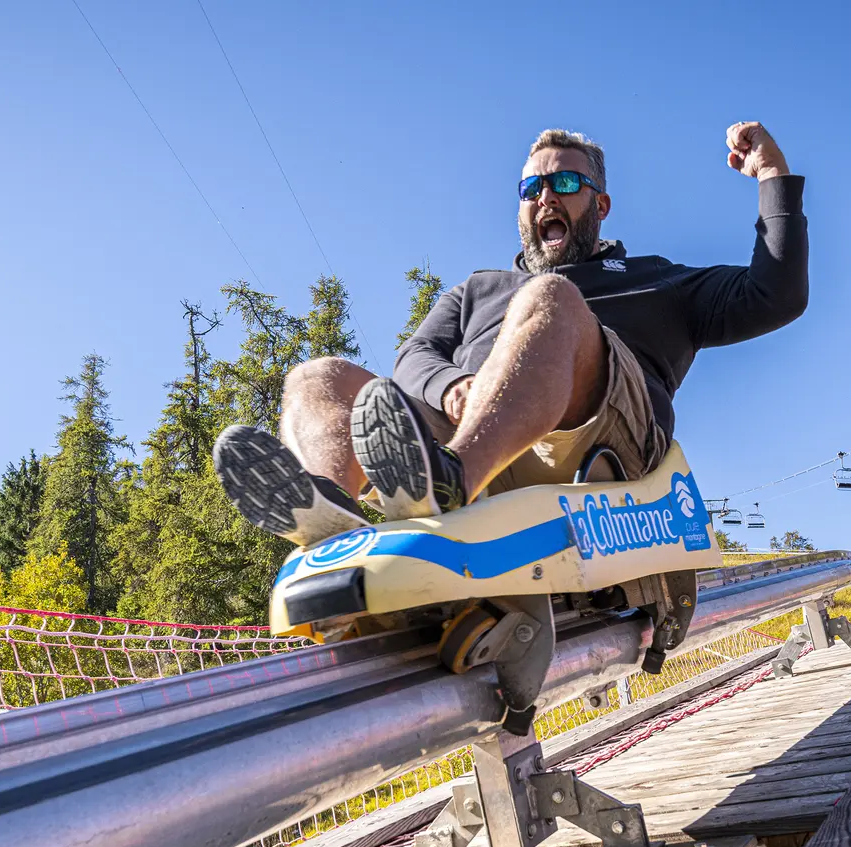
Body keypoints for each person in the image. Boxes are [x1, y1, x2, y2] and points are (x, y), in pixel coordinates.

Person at [213, 122, 809, 547]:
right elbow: (414, 356)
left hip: (597, 450)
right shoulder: (476, 289)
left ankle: (447, 488)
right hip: (472, 433)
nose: (545, 196)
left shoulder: (660, 281)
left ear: (600, 205)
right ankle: (329, 515)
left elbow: (774, 295)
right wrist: (451, 389)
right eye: (531, 191)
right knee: (318, 378)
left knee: (550, 299)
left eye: (565, 186)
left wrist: (773, 178)